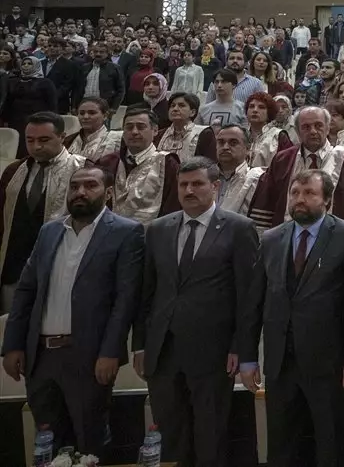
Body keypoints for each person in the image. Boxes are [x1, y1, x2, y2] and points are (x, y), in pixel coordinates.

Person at [1, 166, 143, 456]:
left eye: (90, 185)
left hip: (89, 356)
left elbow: (125, 300)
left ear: (109, 193)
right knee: (47, 442)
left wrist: (111, 352)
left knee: (89, 441)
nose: (80, 192)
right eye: (75, 186)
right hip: (41, 357)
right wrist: (12, 345)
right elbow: (27, 291)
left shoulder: (126, 232)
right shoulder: (50, 231)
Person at [133, 157, 260, 467]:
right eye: (183, 184)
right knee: (172, 433)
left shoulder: (239, 228)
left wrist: (238, 347)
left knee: (210, 433)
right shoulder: (158, 229)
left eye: (197, 184)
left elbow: (248, 296)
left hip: (213, 351)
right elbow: (146, 293)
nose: (189, 190)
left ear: (215, 187)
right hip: (162, 349)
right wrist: (140, 344)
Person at [240, 169, 344, 467]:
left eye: (309, 194)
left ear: (328, 200)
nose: (300, 200)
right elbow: (254, 302)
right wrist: (247, 358)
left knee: (333, 445)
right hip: (281, 363)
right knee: (282, 445)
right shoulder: (271, 238)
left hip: (329, 363)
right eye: (295, 193)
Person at [0, 113, 90, 311]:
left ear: (62, 137)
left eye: (44, 140)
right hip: (13, 266)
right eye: (30, 140)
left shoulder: (84, 171)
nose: (36, 146)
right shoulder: (14, 170)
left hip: (60, 267)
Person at [248, 106, 344, 227]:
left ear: (327, 128)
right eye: (306, 127)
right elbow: (267, 202)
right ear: (297, 131)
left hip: (333, 238)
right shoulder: (282, 159)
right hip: (288, 235)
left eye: (318, 126)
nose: (312, 131)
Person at [95, 107, 183, 225]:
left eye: (141, 127)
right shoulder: (107, 162)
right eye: (129, 127)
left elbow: (173, 207)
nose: (134, 132)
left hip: (150, 234)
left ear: (155, 130)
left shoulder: (167, 163)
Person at [211, 124, 264, 219]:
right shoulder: (206, 177)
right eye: (221, 142)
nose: (225, 147)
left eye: (233, 143)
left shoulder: (257, 179)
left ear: (248, 149)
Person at [156, 92, 218, 161]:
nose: (175, 109)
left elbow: (210, 164)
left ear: (192, 112)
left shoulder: (204, 134)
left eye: (181, 105)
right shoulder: (160, 134)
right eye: (172, 106)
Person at [65, 97, 121, 162]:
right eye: (82, 113)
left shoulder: (116, 140)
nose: (85, 117)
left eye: (92, 113)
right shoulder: (68, 140)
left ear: (105, 116)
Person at [74, 42, 124, 112]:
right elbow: (77, 88)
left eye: (101, 52)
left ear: (107, 53)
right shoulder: (84, 67)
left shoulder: (115, 68)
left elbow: (120, 90)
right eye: (96, 52)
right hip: (85, 104)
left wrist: (114, 107)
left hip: (105, 106)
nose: (98, 54)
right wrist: (74, 106)